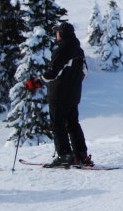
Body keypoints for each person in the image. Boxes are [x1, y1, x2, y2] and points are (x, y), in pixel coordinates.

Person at [27, 21, 92, 168]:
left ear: (61, 34)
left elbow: (52, 73)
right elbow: (85, 72)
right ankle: (81, 155)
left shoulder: (62, 51)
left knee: (58, 124)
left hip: (59, 94)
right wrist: (73, 81)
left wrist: (36, 82)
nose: (56, 34)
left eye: (57, 32)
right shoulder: (78, 50)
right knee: (73, 123)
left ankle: (65, 155)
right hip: (74, 94)